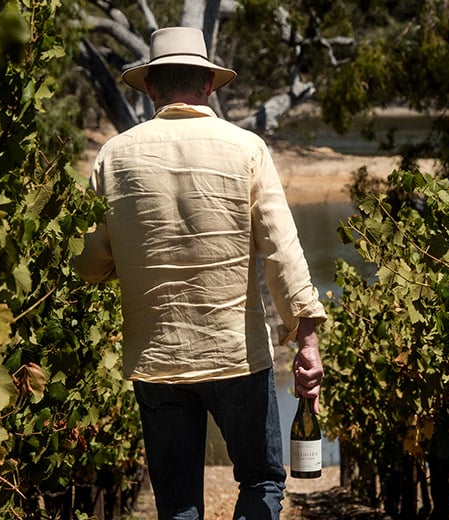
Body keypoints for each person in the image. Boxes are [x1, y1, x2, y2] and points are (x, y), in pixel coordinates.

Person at [71, 26, 326, 520]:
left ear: (150, 87)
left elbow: (88, 264)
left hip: (157, 357)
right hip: (236, 355)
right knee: (261, 480)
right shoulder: (247, 148)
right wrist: (307, 342)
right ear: (209, 83)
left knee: (178, 503)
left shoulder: (114, 156)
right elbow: (283, 253)